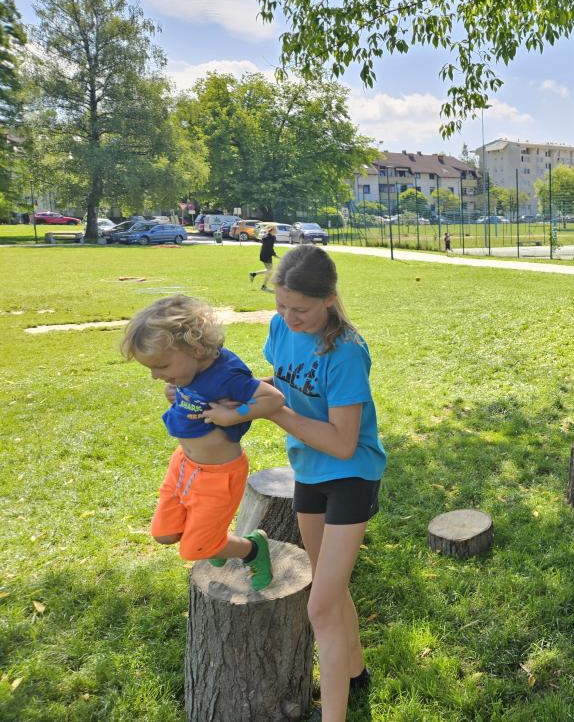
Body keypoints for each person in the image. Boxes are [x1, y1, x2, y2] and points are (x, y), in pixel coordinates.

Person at [262, 245, 386, 721]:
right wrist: (203, 391)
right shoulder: (279, 329)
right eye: (281, 306)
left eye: (301, 309)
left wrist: (278, 414)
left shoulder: (346, 351)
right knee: (330, 590)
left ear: (329, 299)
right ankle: (354, 672)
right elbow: (272, 385)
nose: (289, 318)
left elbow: (342, 442)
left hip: (351, 474)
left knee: (319, 608)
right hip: (308, 471)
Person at [121, 295, 284, 590]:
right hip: (182, 465)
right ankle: (215, 542)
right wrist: (174, 393)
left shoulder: (227, 376)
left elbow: (273, 399)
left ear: (195, 348)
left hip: (218, 476)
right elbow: (189, 393)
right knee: (164, 534)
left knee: (196, 549)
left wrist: (232, 415)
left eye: (162, 366)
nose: (156, 376)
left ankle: (252, 549)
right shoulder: (189, 372)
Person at [249, 224, 279, 291]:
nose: (277, 231)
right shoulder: (268, 237)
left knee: (270, 271)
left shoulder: (272, 237)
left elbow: (270, 247)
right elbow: (268, 248)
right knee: (270, 271)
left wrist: (273, 254)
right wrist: (275, 255)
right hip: (265, 255)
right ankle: (254, 275)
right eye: (276, 229)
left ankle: (263, 285)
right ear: (272, 230)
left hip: (267, 254)